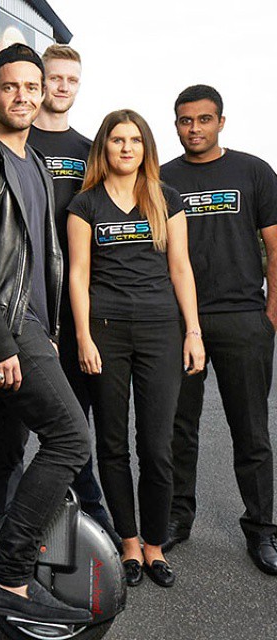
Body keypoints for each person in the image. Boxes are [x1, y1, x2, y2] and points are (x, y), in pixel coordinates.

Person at [0, 43, 91, 624]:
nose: (23, 96)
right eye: (11, 87)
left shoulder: (36, 165)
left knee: (1, 453)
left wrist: (48, 331)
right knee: (70, 439)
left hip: (29, 326)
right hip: (7, 327)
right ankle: (10, 573)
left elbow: (39, 260)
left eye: (32, 86)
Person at [67, 109, 205, 588]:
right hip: (105, 331)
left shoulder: (166, 198)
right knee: (112, 444)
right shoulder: (85, 204)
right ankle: (128, 543)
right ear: (103, 147)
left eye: (135, 140)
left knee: (157, 446)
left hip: (160, 330)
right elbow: (78, 275)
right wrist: (83, 336)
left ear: (146, 147)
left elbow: (181, 268)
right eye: (117, 140)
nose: (126, 148)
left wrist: (193, 332)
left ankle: (154, 545)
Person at [160, 85, 277, 575]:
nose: (194, 129)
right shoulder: (161, 177)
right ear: (176, 124)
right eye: (185, 120)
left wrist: (270, 314)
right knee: (177, 428)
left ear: (221, 122)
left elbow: (275, 245)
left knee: (251, 431)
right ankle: (176, 517)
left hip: (242, 318)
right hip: (180, 322)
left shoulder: (253, 171)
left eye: (204, 119)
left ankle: (262, 530)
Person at [27, 43, 117, 544]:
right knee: (8, 435)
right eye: (54, 77)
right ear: (39, 81)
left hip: (78, 304)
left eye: (71, 79)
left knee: (73, 420)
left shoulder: (90, 151)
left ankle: (91, 520)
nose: (62, 87)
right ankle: (10, 528)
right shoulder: (15, 141)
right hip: (25, 304)